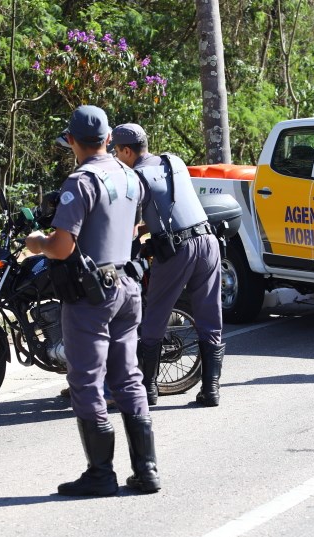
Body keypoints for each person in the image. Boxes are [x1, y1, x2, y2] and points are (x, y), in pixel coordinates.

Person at [24, 105, 160, 496]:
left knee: (86, 381)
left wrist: (38, 243)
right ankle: (147, 470)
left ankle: (101, 474)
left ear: (71, 140)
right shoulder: (129, 174)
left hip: (92, 294)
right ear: (109, 139)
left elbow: (62, 247)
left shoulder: (81, 181)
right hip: (127, 285)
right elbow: (133, 227)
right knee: (128, 377)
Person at [111, 123, 225, 406]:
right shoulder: (174, 161)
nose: (116, 158)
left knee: (155, 315)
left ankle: (149, 388)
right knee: (210, 317)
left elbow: (129, 226)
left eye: (117, 152)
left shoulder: (134, 177)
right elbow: (170, 205)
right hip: (208, 241)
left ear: (127, 151)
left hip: (178, 250)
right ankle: (211, 389)